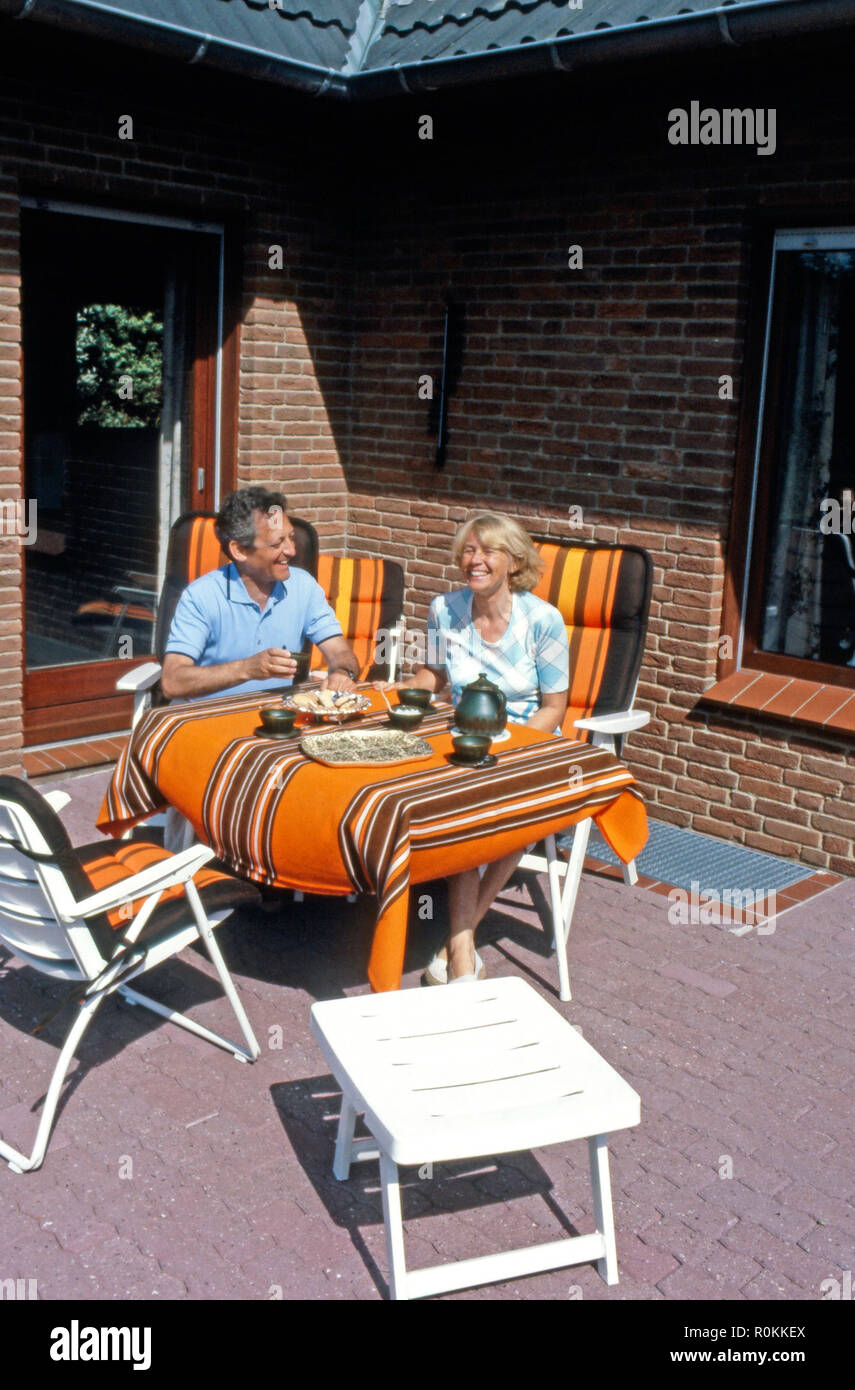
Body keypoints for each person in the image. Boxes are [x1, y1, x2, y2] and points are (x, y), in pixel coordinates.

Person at [380, 511, 570, 983]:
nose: (475, 560)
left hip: (527, 742)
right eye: (468, 550)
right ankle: (462, 953)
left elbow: (555, 706)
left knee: (510, 811)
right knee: (458, 812)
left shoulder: (544, 621)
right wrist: (397, 695)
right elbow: (435, 677)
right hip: (462, 740)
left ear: (514, 561)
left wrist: (512, 752)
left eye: (488, 551)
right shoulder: (444, 609)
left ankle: (457, 950)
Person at [161, 487, 360, 700]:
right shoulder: (201, 596)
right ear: (240, 550)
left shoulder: (304, 587)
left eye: (291, 537)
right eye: (277, 543)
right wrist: (247, 669)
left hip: (277, 716)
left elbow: (341, 652)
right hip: (208, 716)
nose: (291, 550)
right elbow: (172, 682)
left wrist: (342, 673)